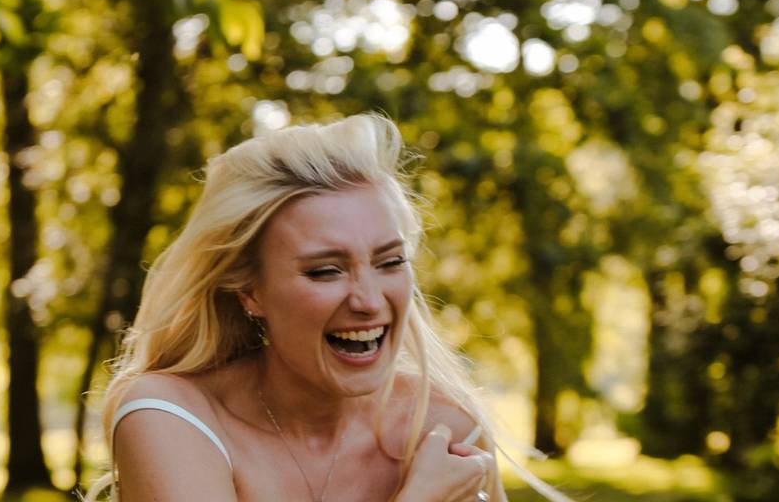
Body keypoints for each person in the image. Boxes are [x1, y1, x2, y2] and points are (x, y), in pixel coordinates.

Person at [83, 114, 557, 501]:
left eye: (390, 261)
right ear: (250, 292)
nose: (369, 301)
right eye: (325, 271)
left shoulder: (443, 432)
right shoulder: (171, 416)